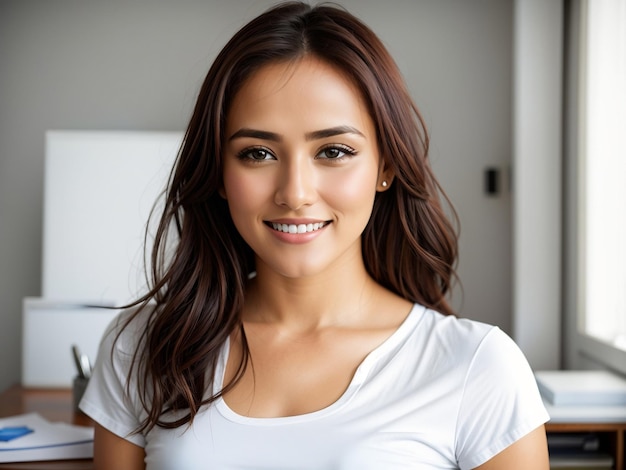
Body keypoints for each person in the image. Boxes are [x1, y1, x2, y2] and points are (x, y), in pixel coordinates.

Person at [79, 2, 550, 469]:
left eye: (334, 150)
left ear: (385, 167)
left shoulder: (478, 366)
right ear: (219, 173)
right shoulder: (142, 345)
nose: (295, 193)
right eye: (258, 153)